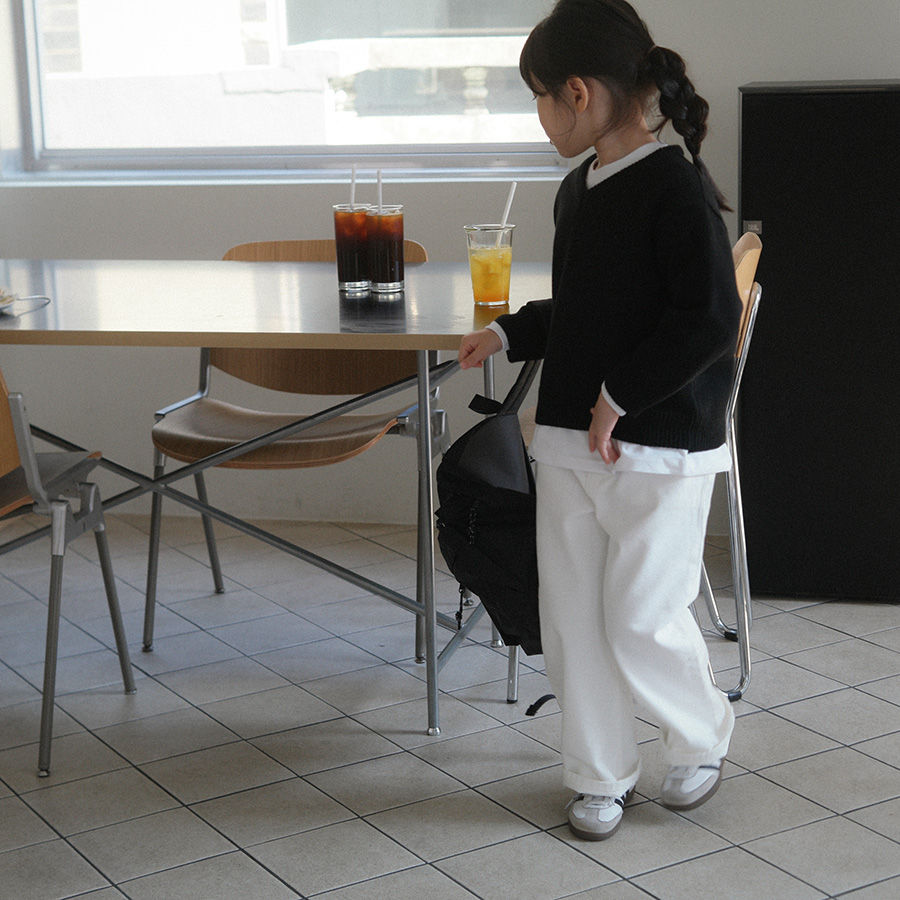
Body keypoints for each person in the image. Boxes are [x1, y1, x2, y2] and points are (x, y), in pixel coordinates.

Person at [458, 0, 741, 841]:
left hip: (659, 449)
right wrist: (512, 332)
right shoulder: (577, 192)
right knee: (574, 621)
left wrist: (621, 395)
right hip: (568, 446)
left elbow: (708, 317)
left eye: (540, 99)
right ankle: (598, 772)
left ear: (577, 93)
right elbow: (588, 309)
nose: (541, 118)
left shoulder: (675, 188)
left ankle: (699, 737)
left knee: (640, 617)